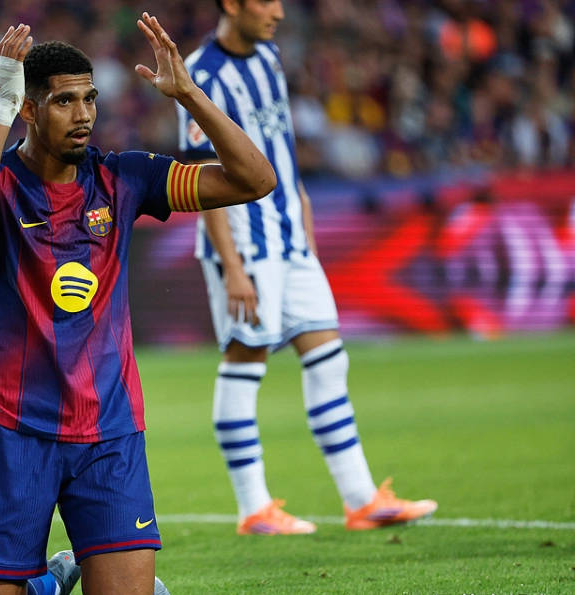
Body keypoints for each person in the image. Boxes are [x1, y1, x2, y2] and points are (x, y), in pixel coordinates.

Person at [0, 13, 276, 595]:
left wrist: (189, 95)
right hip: (13, 426)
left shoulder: (124, 178)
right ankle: (48, 584)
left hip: (108, 430)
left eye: (90, 99)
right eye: (65, 101)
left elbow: (254, 180)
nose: (84, 114)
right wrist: (1, 107)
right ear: (30, 109)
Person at [177, 0, 438, 535]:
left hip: (292, 238)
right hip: (246, 242)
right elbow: (201, 173)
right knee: (245, 362)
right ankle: (254, 508)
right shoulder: (201, 74)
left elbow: (284, 153)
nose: (277, 11)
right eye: (266, 1)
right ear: (232, 4)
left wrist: (307, 231)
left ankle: (362, 500)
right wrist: (232, 266)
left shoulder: (270, 57)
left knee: (328, 360)